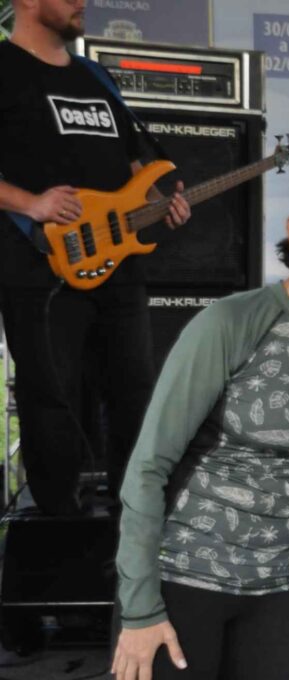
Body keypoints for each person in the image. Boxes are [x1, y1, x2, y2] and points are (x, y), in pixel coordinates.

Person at [111, 164, 289, 680]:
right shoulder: (232, 321)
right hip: (185, 578)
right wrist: (140, 606)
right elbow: (148, 467)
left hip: (286, 589)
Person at [0, 0, 190, 515]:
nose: (83, 2)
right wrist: (30, 202)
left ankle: (137, 524)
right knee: (52, 401)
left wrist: (159, 205)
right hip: (40, 270)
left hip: (120, 269)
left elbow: (134, 164)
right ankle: (59, 531)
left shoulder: (95, 77)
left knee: (136, 396)